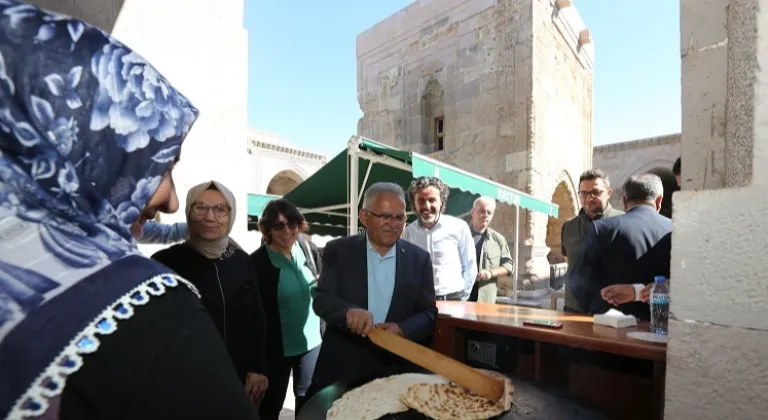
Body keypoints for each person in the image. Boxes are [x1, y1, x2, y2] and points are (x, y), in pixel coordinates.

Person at [0, 2, 259, 419]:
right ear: (98, 148)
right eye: (161, 166)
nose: (170, 201)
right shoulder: (143, 305)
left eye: (220, 210)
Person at [308, 182, 437, 396]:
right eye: (385, 216)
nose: (393, 224)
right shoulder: (338, 251)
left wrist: (403, 328)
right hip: (343, 367)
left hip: (397, 371)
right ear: (364, 217)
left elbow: (429, 313)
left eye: (399, 218)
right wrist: (347, 312)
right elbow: (322, 300)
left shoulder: (420, 259)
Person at [152, 181, 269, 401]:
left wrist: (258, 367)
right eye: (201, 207)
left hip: (239, 379)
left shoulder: (242, 261)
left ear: (230, 216)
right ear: (188, 211)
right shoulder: (164, 263)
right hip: (185, 386)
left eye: (220, 209)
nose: (210, 217)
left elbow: (257, 319)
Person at [250, 199, 322, 420]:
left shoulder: (309, 250)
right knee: (271, 406)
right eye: (278, 225)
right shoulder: (256, 263)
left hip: (312, 343)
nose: (287, 230)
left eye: (292, 223)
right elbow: (252, 317)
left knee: (309, 403)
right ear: (267, 229)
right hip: (276, 349)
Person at [569, 174, 672, 320]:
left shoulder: (601, 229)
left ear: (624, 201)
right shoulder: (675, 230)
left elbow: (577, 280)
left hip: (609, 326)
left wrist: (595, 308)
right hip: (660, 326)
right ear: (659, 200)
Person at [401, 177, 476, 300]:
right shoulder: (409, 232)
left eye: (432, 200)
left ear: (441, 201)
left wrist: (463, 298)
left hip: (454, 299)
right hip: (421, 301)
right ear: (414, 203)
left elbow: (470, 265)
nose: (427, 206)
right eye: (421, 200)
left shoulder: (458, 227)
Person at [560, 169, 624, 313]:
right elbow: (568, 260)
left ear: (608, 193)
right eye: (584, 193)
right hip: (573, 307)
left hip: (612, 309)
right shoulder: (568, 227)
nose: (589, 198)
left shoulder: (624, 222)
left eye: (596, 192)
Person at [467, 196, 514, 303]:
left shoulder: (498, 240)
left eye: (489, 212)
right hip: (462, 297)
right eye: (482, 211)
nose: (485, 215)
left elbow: (509, 266)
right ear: (473, 212)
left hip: (486, 299)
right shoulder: (461, 236)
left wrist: (490, 273)